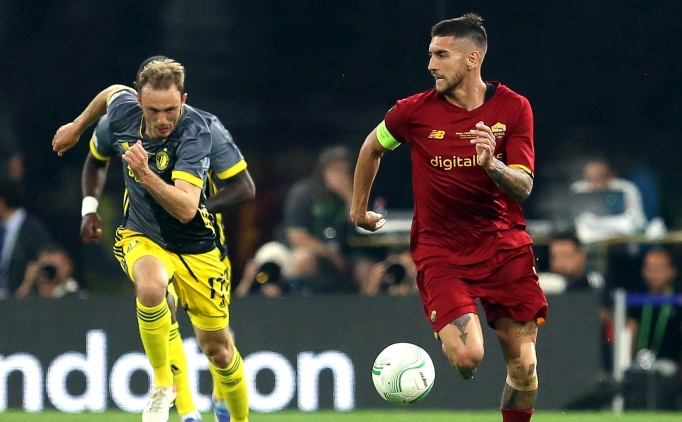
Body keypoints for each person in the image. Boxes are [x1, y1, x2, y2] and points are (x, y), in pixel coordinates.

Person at [350, 14, 546, 422]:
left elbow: (523, 186)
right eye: (430, 55)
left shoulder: (514, 108)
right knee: (469, 357)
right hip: (442, 251)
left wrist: (492, 164)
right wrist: (358, 209)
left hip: (504, 246)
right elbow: (372, 147)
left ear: (472, 59)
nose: (431, 65)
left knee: (525, 371)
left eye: (442, 55)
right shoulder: (413, 112)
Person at [54, 55, 255, 422]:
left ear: (183, 101)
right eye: (152, 110)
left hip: (196, 246)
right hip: (143, 234)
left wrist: (145, 174)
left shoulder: (197, 132)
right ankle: (165, 387)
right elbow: (110, 94)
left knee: (219, 351)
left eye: (169, 110)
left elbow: (187, 210)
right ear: (138, 101)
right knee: (151, 287)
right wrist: (78, 126)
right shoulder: (122, 114)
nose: (162, 120)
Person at [625, 248, 682, 409]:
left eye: (660, 268)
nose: (655, 273)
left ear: (672, 271)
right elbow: (630, 331)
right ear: (643, 271)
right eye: (650, 269)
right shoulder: (637, 299)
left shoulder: (677, 300)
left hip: (669, 364)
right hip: (641, 362)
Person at [570, 158, 647, 243]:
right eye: (591, 177)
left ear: (611, 174)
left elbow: (638, 221)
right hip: (588, 240)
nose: (596, 182)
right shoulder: (577, 190)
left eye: (600, 176)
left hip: (621, 238)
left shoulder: (625, 189)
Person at [0, 179, 52, 298]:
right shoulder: (1, 229)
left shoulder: (34, 231)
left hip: (24, 302)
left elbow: (44, 265)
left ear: (2, 202)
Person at [537, 232, 605, 294]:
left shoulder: (595, 282)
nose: (560, 263)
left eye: (565, 256)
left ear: (581, 256)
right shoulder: (541, 285)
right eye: (554, 257)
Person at [14, 243, 81, 299]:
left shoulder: (77, 296)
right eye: (45, 267)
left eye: (53, 267)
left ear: (67, 267)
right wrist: (27, 283)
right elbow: (16, 307)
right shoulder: (31, 296)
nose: (49, 272)